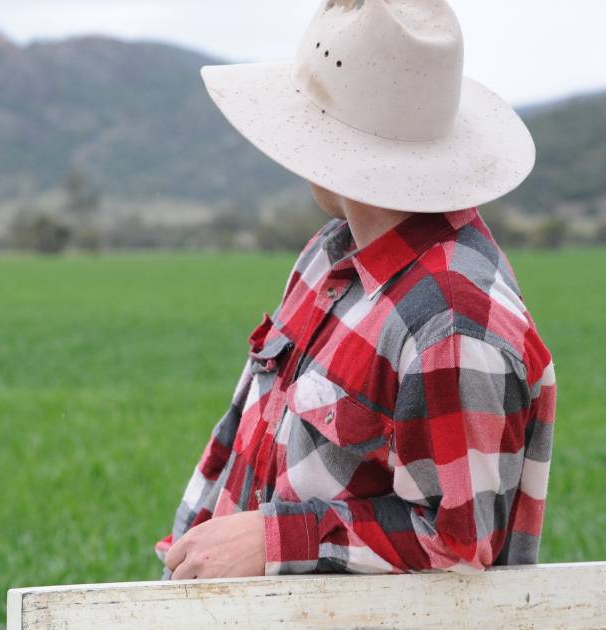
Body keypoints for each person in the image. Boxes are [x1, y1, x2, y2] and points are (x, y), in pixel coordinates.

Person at [155, 0, 557, 580]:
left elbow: (458, 547)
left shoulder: (453, 325)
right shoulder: (332, 253)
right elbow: (251, 428)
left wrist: (276, 540)